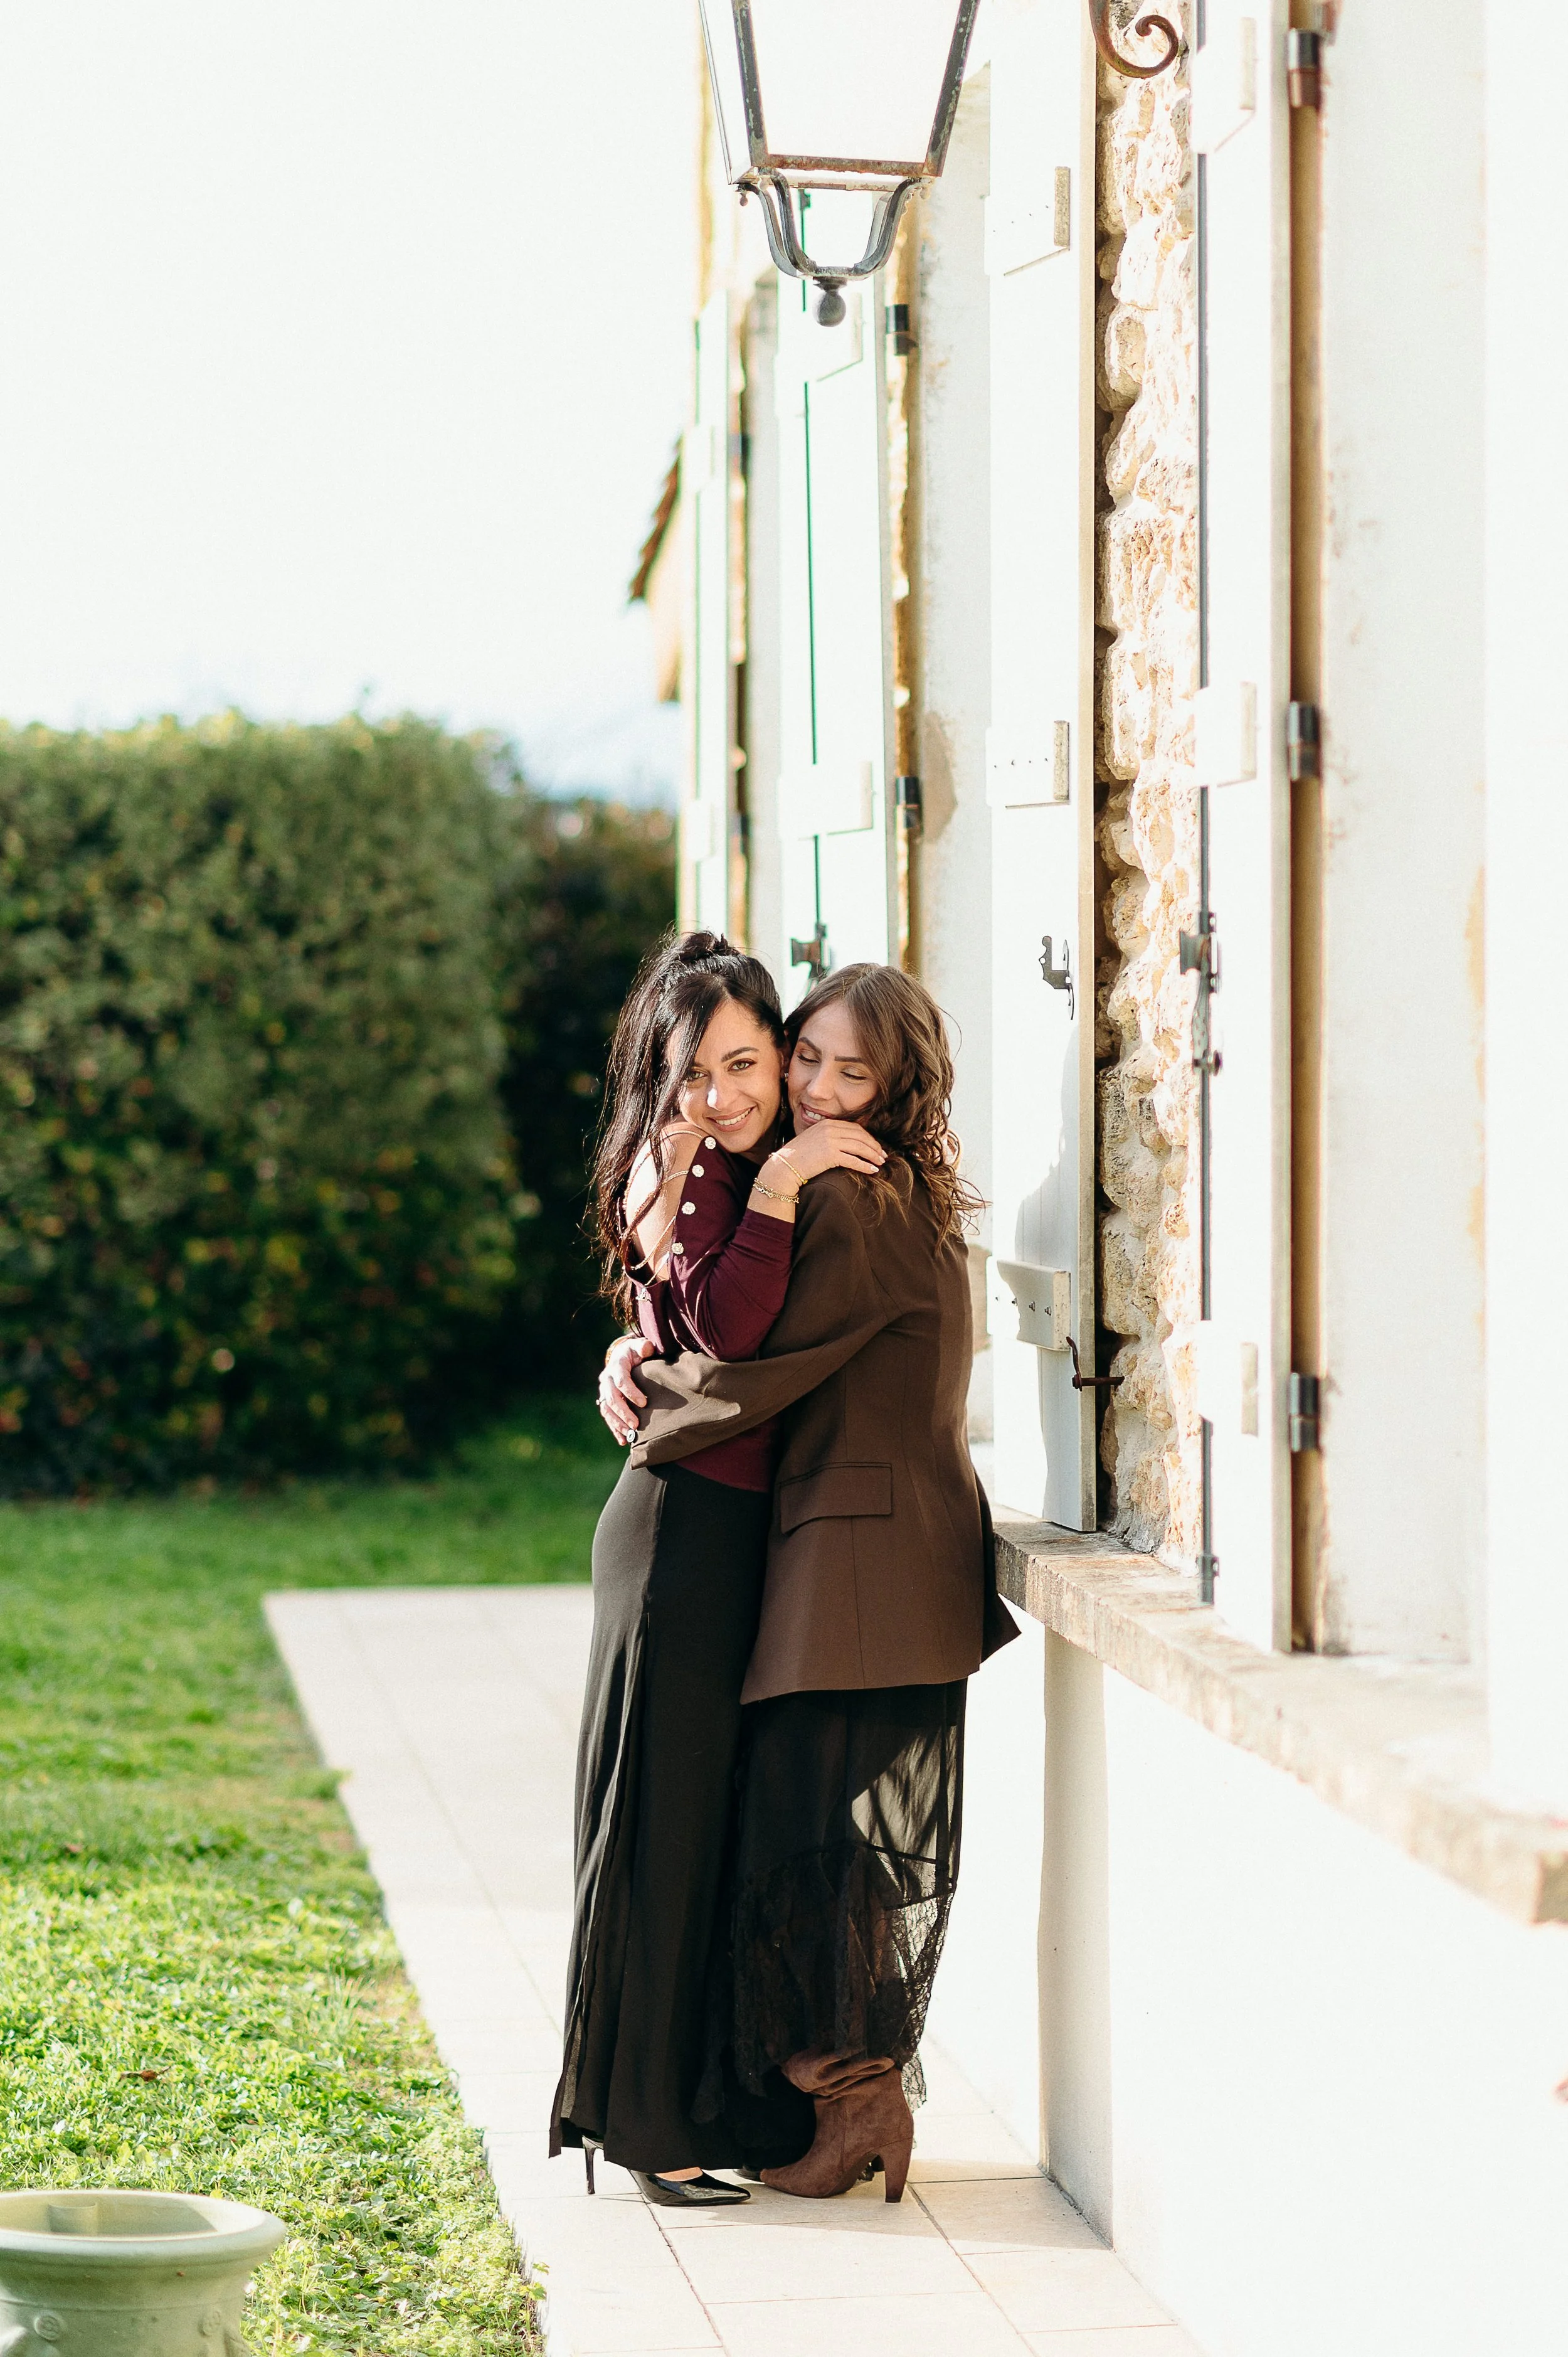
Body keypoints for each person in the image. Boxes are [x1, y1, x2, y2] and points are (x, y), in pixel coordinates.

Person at [600, 962, 1018, 2204]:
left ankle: (855, 2107)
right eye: (807, 1058)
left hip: (859, 1566)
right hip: (869, 1560)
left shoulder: (853, 1198)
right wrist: (632, 1336)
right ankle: (848, 2104)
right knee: (821, 1849)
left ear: (896, 1088)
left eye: (853, 1070)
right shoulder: (880, 1187)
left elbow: (754, 1369)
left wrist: (635, 1400)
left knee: (812, 1852)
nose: (818, 1087)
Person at [549, 930, 883, 2208]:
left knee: (710, 1834)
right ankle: (644, 2132)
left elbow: (681, 1330)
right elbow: (732, 1327)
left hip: (731, 1532)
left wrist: (626, 1347)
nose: (721, 1095)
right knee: (660, 1834)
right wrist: (788, 1177)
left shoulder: (734, 1161)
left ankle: (699, 2101)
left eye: (746, 1063)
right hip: (681, 1533)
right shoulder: (693, 1161)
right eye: (693, 1071)